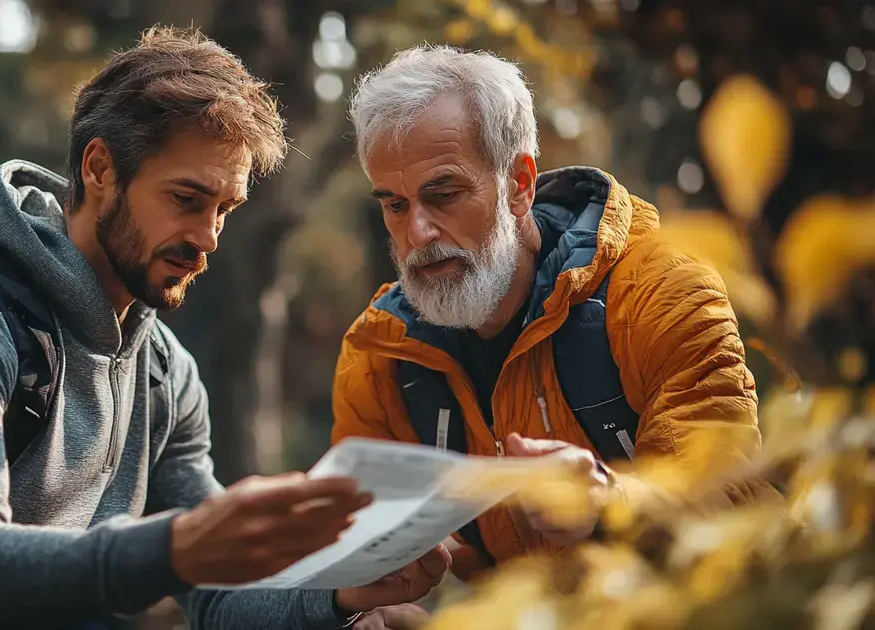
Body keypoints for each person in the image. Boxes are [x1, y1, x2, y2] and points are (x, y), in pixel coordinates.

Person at [0, 28, 450, 630]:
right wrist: (175, 546)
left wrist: (336, 600)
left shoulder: (164, 373)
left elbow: (214, 595)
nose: (208, 238)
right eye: (186, 199)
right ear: (99, 169)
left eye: (225, 209)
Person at [330, 44, 779, 581]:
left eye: (443, 194)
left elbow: (728, 493)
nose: (417, 233)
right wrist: (374, 605)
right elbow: (362, 545)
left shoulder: (662, 291)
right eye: (395, 205)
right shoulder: (379, 352)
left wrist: (607, 500)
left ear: (518, 184)